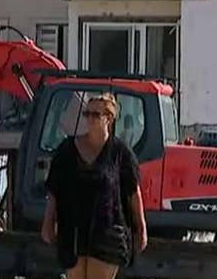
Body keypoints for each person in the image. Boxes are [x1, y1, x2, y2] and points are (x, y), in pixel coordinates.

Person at [40, 93, 148, 279]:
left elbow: (133, 193)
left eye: (95, 115)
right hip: (73, 231)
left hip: (107, 234)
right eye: (87, 114)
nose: (89, 119)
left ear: (109, 118)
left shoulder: (120, 153)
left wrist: (141, 228)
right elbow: (55, 190)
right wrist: (48, 222)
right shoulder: (67, 150)